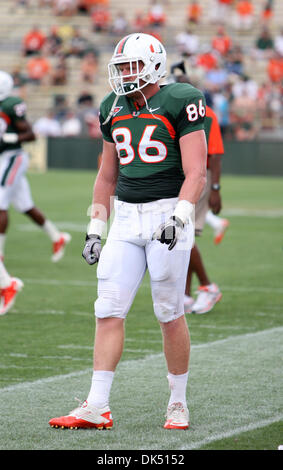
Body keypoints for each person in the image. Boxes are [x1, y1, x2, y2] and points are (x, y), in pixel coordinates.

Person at [49, 32, 207, 431]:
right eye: (120, 67)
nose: (124, 75)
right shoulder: (111, 106)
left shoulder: (180, 99)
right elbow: (106, 176)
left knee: (169, 311)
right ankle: (97, 405)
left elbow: (197, 172)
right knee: (107, 308)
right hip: (126, 217)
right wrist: (94, 229)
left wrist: (181, 216)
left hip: (167, 212)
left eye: (132, 66)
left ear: (154, 66)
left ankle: (177, 402)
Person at [0, 71, 71, 265]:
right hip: (5, 158)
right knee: (24, 205)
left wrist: (12, 138)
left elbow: (30, 135)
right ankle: (57, 237)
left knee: (0, 204)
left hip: (13, 157)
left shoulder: (9, 105)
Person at [175, 72, 225, 315]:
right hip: (182, 177)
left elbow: (214, 154)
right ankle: (184, 294)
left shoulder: (207, 114)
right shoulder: (177, 110)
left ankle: (207, 286)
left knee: (184, 237)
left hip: (197, 178)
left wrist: (215, 188)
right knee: (183, 238)